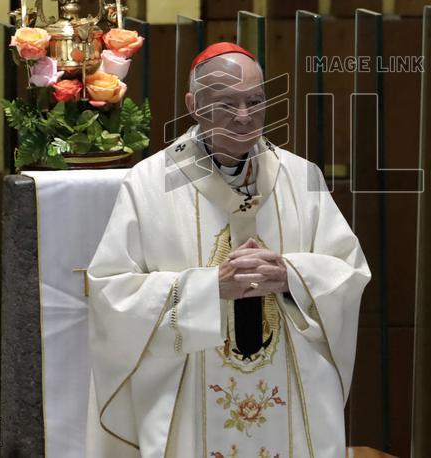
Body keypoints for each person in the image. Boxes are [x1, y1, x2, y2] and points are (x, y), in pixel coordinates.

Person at [86, 42, 370, 457]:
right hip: (193, 393)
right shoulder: (149, 183)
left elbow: (349, 272)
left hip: (289, 391)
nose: (243, 117)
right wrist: (207, 288)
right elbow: (111, 293)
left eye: (255, 101)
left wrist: (290, 275)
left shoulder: (299, 176)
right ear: (194, 105)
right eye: (226, 104)